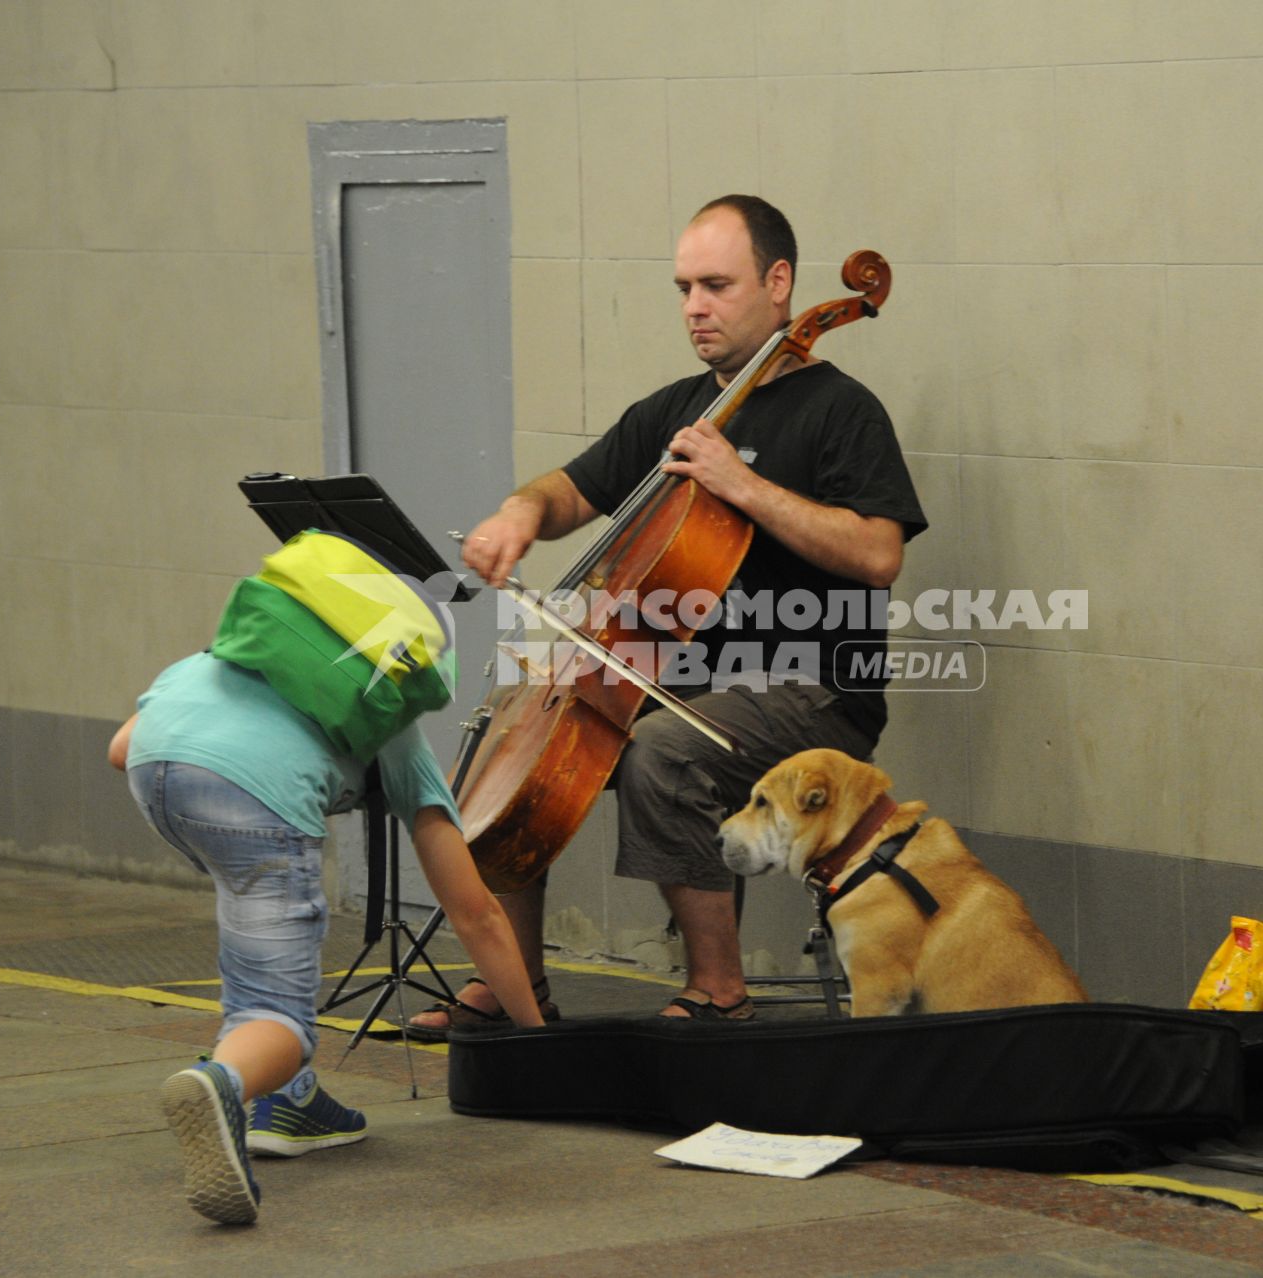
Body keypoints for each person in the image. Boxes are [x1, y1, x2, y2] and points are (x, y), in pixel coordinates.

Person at [408, 194, 926, 1033]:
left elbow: (878, 554)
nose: (695, 307)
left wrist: (740, 483)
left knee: (663, 751)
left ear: (781, 283)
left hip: (812, 691)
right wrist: (518, 515)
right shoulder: (677, 411)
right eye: (685, 287)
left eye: (716, 285)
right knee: (510, 738)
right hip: (675, 676)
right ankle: (516, 988)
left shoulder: (842, 411)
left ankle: (719, 992)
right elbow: (569, 490)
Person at [107, 651, 543, 1225]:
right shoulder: (392, 724)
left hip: (159, 779)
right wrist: (540, 1045)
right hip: (256, 801)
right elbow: (476, 915)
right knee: (279, 1012)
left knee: (254, 940)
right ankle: (225, 1082)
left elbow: (120, 748)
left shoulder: (224, 658)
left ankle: (289, 1098)